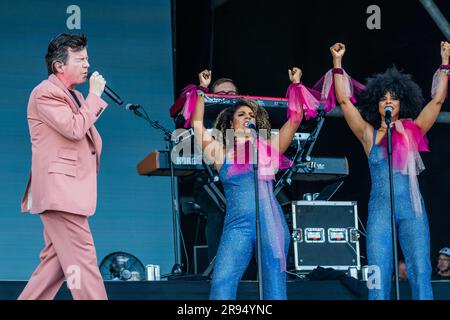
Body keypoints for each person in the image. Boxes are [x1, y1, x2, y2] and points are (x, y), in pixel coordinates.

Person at [330, 41, 450, 300]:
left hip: (412, 210)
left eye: (392, 99)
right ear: (377, 104)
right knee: (378, 272)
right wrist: (337, 62)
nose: (387, 102)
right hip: (380, 210)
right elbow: (343, 101)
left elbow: (438, 100)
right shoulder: (368, 135)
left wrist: (445, 63)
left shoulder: (413, 130)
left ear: (401, 103)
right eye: (383, 99)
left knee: (420, 269)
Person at [190, 68, 303, 299]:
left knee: (275, 286)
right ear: (232, 123)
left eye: (251, 116)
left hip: (271, 224)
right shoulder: (222, 153)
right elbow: (197, 125)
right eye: (242, 115)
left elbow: (295, 119)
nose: (248, 118)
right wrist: (202, 90)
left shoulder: (268, 149)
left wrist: (296, 86)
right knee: (222, 281)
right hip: (238, 227)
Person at [18, 33, 108, 300]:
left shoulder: (75, 96)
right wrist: (94, 95)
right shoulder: (45, 93)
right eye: (80, 59)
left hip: (67, 191)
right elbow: (74, 128)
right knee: (84, 263)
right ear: (59, 65)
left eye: (87, 58)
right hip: (61, 193)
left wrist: (89, 99)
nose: (87, 65)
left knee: (54, 266)